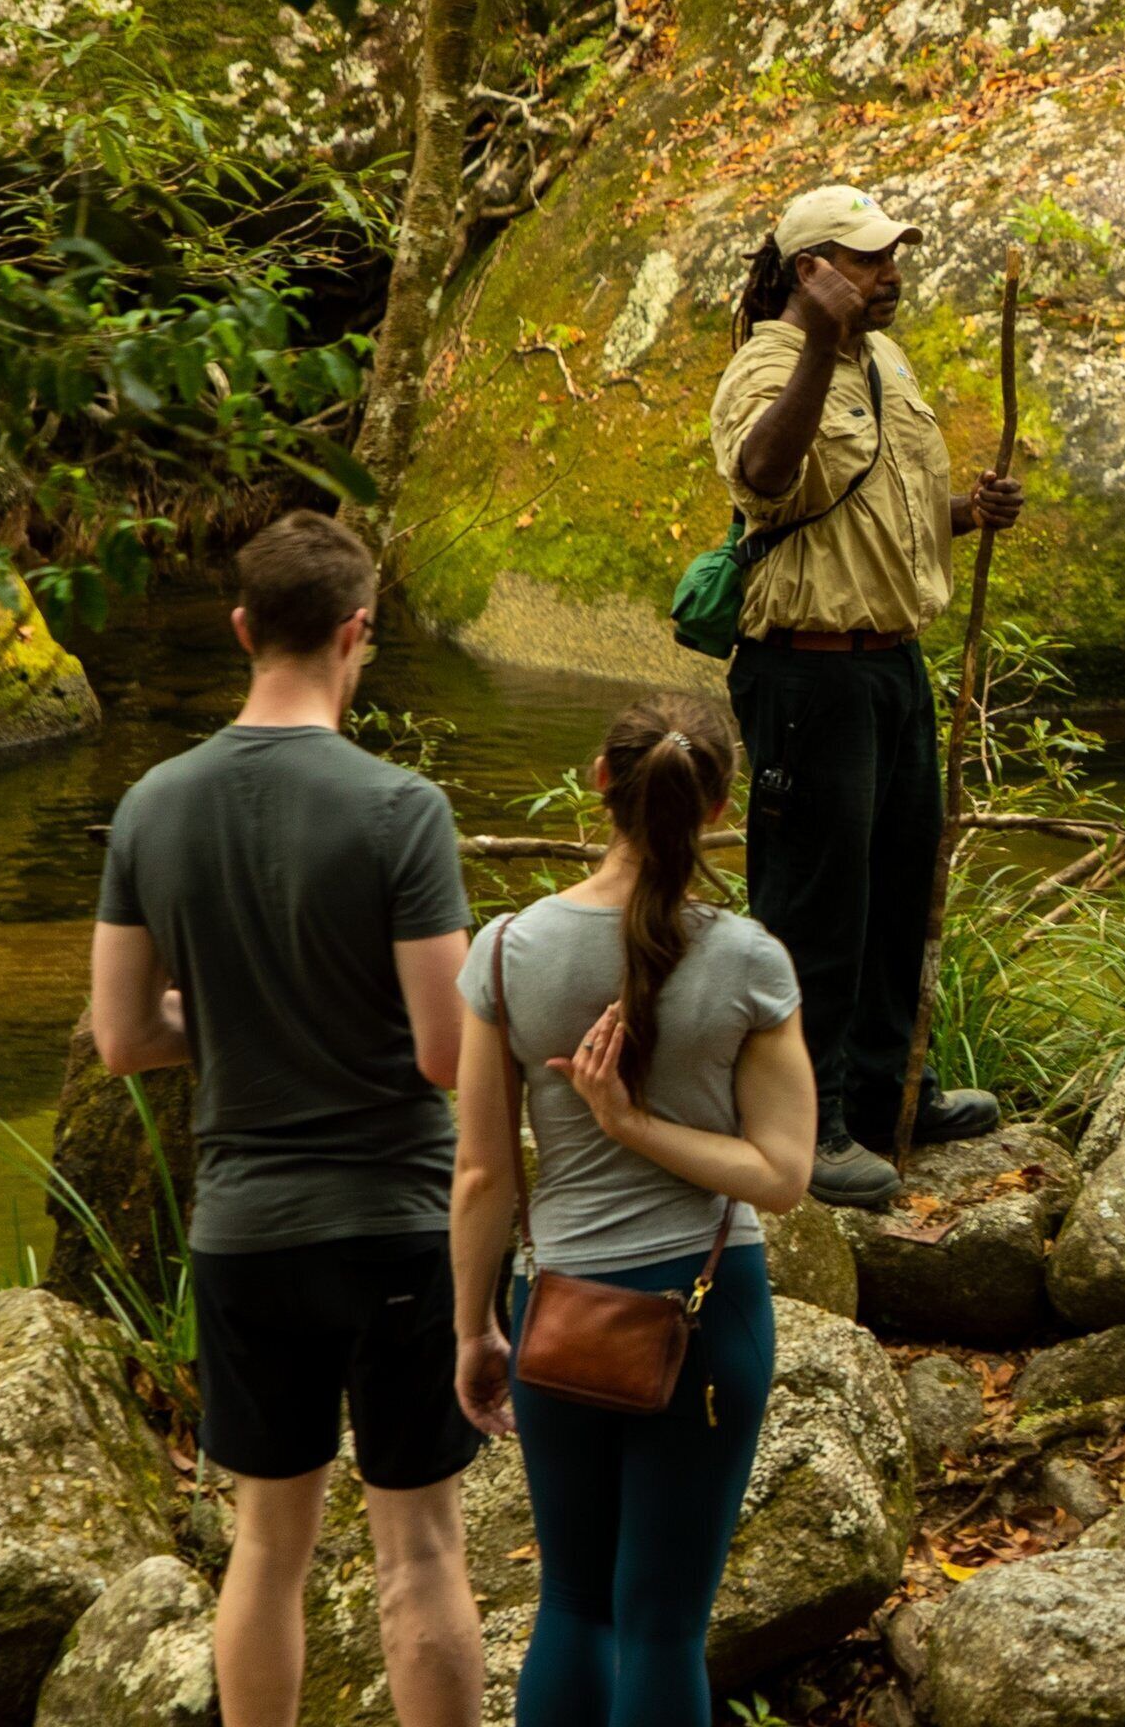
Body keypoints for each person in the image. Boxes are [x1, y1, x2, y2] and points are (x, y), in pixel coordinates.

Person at [87, 511, 484, 1727]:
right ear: (357, 633)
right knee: (420, 1548)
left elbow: (122, 1038)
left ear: (243, 627)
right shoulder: (399, 809)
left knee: (268, 1550)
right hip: (395, 1224)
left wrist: (238, 1018)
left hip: (246, 1231)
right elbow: (443, 1052)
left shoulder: (154, 805)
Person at [449, 696, 816, 1727]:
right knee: (662, 1627)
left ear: (599, 782)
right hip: (707, 1310)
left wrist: (474, 1327)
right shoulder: (749, 958)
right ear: (718, 806)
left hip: (558, 1311)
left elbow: (482, 1174)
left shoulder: (509, 949)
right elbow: (782, 1173)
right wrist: (643, 1126)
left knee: (572, 1602)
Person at [709, 182, 1026, 1208]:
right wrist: (815, 350)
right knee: (815, 905)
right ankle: (811, 1121)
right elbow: (765, 474)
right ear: (811, 271)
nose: (892, 274)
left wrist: (967, 513)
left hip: (891, 666)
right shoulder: (764, 364)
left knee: (897, 887)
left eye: (894, 256)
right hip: (808, 672)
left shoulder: (888, 363)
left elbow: (883, 515)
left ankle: (896, 1089)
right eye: (867, 258)